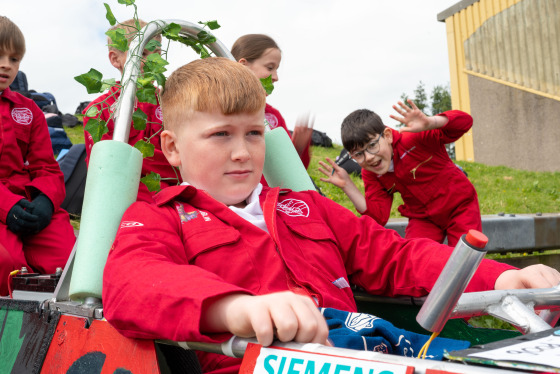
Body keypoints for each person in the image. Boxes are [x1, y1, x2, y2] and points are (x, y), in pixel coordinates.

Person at [102, 58, 560, 374]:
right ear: (173, 148)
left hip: (361, 355)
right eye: (220, 134)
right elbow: (133, 283)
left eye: (254, 134)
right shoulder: (160, 217)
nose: (242, 152)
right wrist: (238, 308)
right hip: (254, 360)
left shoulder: (302, 206)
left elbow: (394, 255)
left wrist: (498, 279)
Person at [319, 100, 481, 246]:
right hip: (424, 218)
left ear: (387, 136)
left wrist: (431, 122)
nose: (368, 157)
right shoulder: (372, 173)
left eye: (372, 145)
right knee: (414, 260)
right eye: (358, 154)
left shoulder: (414, 138)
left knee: (465, 259)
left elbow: (465, 122)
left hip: (459, 207)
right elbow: (378, 216)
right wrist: (348, 186)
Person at [0, 16, 75, 296]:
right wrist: (8, 207)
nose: (6, 64)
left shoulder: (29, 109)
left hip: (28, 203)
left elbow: (47, 166)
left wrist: (44, 202)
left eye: (14, 58)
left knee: (69, 263)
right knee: (7, 266)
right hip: (4, 204)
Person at [83, 19, 181, 203]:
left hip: (180, 191)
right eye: (142, 53)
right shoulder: (99, 111)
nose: (152, 61)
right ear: (115, 59)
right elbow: (103, 173)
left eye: (157, 53)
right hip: (130, 198)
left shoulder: (174, 102)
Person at [231, 33, 313, 171]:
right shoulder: (214, 110)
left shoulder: (273, 115)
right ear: (243, 67)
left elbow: (289, 172)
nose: (276, 77)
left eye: (276, 69)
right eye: (270, 67)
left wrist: (298, 147)